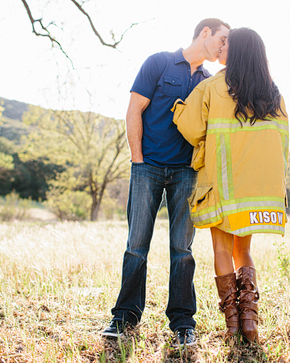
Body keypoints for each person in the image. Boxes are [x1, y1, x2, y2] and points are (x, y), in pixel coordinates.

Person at [101, 18, 231, 348]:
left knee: (182, 251)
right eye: (222, 39)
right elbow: (134, 110)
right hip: (148, 168)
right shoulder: (158, 62)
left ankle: (183, 323)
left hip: (186, 172)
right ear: (206, 32)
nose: (223, 46)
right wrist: (138, 159)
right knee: (136, 245)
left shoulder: (209, 81)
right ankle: (124, 317)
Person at [172, 27, 288, 344]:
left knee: (222, 250)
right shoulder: (273, 93)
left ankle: (234, 325)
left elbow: (193, 130)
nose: (222, 47)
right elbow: (282, 144)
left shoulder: (211, 87)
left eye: (227, 43)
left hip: (222, 187)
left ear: (234, 52)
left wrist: (179, 108)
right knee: (244, 252)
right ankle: (251, 324)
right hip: (253, 190)